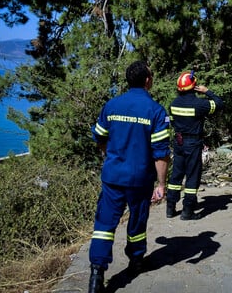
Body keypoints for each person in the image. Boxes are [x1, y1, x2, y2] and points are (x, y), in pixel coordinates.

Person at [87, 60, 171, 293]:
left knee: (104, 224)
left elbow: (99, 137)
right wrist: (161, 184)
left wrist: (111, 156)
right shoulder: (155, 111)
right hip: (139, 179)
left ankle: (96, 275)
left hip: (113, 177)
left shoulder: (112, 105)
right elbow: (161, 153)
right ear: (147, 80)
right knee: (137, 220)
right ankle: (136, 261)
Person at [166, 70, 224, 220]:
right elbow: (219, 104)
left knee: (176, 175)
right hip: (192, 143)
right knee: (192, 176)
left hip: (178, 142)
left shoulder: (173, 104)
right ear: (194, 86)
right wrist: (207, 91)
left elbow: (172, 121)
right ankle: (187, 211)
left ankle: (170, 208)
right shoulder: (200, 104)